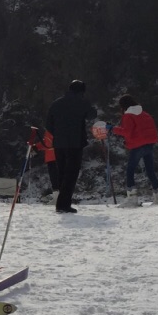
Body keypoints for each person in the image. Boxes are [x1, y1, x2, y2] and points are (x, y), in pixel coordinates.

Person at [44, 80, 96, 214]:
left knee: (61, 172)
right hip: (75, 142)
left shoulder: (56, 103)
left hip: (58, 143)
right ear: (81, 91)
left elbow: (48, 124)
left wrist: (57, 134)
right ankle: (63, 204)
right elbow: (92, 115)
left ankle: (62, 202)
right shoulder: (82, 102)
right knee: (71, 173)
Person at [109, 94, 158, 206]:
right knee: (150, 170)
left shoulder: (128, 116)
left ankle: (132, 198)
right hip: (149, 144)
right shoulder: (145, 114)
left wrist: (111, 129)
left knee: (130, 170)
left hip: (138, 146)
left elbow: (126, 131)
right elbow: (141, 131)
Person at [31, 127, 59, 204]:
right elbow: (47, 142)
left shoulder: (57, 127)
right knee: (54, 178)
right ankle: (57, 196)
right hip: (51, 157)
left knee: (56, 178)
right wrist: (36, 147)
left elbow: (50, 143)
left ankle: (58, 198)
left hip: (56, 157)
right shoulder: (49, 129)